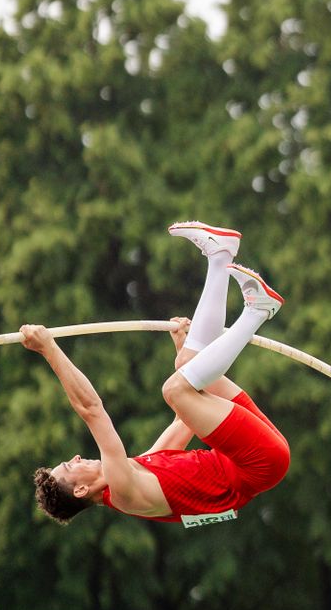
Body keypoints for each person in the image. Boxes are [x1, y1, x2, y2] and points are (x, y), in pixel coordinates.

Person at [26, 222, 289, 526]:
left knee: (187, 362)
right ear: (82, 490)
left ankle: (220, 255)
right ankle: (258, 310)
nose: (75, 458)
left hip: (252, 455)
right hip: (257, 463)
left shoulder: (143, 469)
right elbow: (91, 410)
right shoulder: (124, 491)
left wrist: (184, 353)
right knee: (174, 390)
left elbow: (184, 421)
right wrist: (49, 350)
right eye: (69, 468)